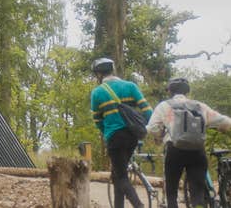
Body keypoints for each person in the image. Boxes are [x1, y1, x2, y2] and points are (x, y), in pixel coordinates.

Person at [146, 77, 231, 208]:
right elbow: (224, 122)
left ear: (170, 91)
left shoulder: (164, 106)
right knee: (197, 193)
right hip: (197, 151)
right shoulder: (199, 106)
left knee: (171, 192)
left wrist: (161, 134)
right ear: (187, 92)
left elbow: (152, 128)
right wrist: (220, 128)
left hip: (174, 150)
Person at [90, 57, 153, 208]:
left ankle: (139, 205)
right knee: (117, 174)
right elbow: (147, 110)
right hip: (132, 137)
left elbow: (97, 120)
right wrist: (151, 128)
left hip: (114, 137)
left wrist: (107, 133)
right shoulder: (130, 86)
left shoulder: (97, 92)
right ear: (113, 70)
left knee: (122, 176)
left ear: (99, 74)